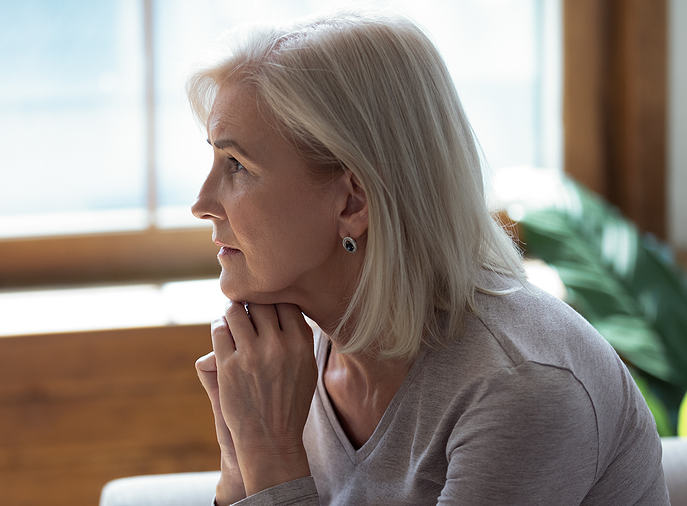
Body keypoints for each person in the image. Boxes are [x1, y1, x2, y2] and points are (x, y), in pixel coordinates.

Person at [187, 12, 669, 506]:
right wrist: (239, 461)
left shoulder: (522, 386)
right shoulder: (288, 362)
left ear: (352, 202)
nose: (201, 202)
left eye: (237, 165)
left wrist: (269, 455)